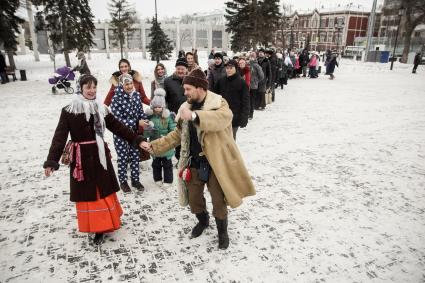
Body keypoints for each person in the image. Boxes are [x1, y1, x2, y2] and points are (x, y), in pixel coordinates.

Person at [140, 69, 256, 250]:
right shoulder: (186, 107)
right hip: (193, 163)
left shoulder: (218, 102)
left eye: (187, 89)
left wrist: (196, 116)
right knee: (193, 199)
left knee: (219, 201)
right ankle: (203, 221)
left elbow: (223, 119)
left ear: (200, 88)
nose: (184, 93)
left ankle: (222, 231)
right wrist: (154, 146)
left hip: (215, 163)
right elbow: (177, 134)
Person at [43, 75, 145, 245]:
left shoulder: (101, 108)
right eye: (88, 87)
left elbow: (118, 127)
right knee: (89, 193)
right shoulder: (69, 110)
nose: (91, 91)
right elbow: (59, 137)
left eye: (94, 87)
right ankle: (97, 227)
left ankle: (108, 220)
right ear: (80, 88)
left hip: (100, 156)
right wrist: (51, 161)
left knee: (103, 189)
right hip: (81, 159)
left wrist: (137, 139)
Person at [111, 74, 148, 192]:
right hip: (121, 134)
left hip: (134, 133)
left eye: (131, 83)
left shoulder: (136, 95)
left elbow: (140, 112)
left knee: (135, 156)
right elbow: (117, 121)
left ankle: (135, 180)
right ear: (122, 85)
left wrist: (145, 120)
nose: (129, 86)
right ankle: (123, 181)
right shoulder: (116, 99)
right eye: (126, 84)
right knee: (123, 157)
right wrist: (137, 122)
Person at [144, 88, 176, 187]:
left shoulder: (168, 117)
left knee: (167, 164)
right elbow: (146, 134)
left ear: (163, 107)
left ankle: (168, 180)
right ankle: (157, 178)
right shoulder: (150, 118)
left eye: (159, 107)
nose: (157, 109)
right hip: (155, 145)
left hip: (166, 145)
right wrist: (148, 129)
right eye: (155, 107)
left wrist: (169, 136)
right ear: (152, 107)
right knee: (156, 164)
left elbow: (173, 128)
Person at [214, 59, 250, 140]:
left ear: (236, 68)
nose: (228, 70)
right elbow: (215, 96)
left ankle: (231, 152)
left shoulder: (242, 83)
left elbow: (246, 101)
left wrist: (244, 117)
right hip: (222, 115)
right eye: (227, 68)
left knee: (230, 140)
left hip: (235, 116)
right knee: (220, 139)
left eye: (231, 68)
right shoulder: (221, 81)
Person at [164, 57, 188, 161]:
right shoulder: (168, 81)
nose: (180, 71)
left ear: (186, 69)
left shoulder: (191, 80)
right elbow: (164, 99)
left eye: (182, 68)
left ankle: (187, 158)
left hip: (189, 114)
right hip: (175, 115)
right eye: (178, 68)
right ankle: (179, 159)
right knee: (178, 137)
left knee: (188, 137)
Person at [248, 52, 264, 119]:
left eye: (253, 56)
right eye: (250, 56)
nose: (251, 57)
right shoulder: (247, 64)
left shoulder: (257, 66)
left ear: (255, 57)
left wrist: (256, 81)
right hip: (246, 85)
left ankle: (251, 114)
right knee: (247, 100)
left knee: (251, 100)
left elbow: (261, 76)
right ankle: (247, 113)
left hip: (253, 86)